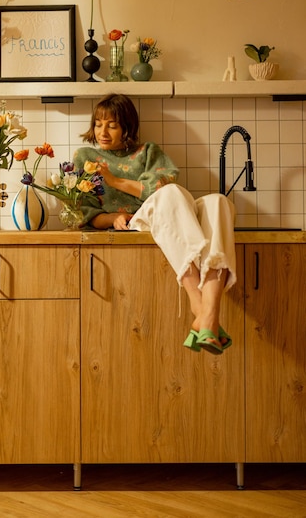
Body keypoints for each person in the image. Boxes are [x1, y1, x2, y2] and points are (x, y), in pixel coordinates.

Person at [73, 93, 236, 355]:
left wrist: (114, 180)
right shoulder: (85, 157)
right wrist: (112, 219)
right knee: (171, 194)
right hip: (142, 220)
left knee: (219, 202)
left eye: (112, 125)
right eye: (98, 124)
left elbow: (162, 185)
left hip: (174, 215)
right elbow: (86, 211)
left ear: (127, 127)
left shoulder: (148, 152)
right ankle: (203, 309)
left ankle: (206, 316)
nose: (103, 131)